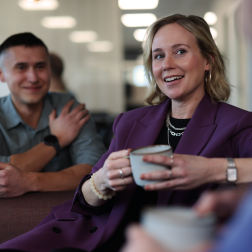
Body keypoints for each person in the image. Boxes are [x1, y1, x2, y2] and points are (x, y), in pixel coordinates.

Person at [1, 14, 252, 252]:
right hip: (96, 237)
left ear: (208, 60)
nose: (167, 65)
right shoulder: (130, 121)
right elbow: (84, 199)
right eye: (158, 56)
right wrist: (100, 182)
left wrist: (212, 169)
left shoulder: (238, 123)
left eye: (180, 52)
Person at [0, 32, 106, 198]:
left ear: (49, 70)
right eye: (21, 67)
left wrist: (28, 181)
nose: (33, 77)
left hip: (68, 217)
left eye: (40, 66)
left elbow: (95, 172)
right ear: (1, 74)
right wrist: (56, 140)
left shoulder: (69, 107)